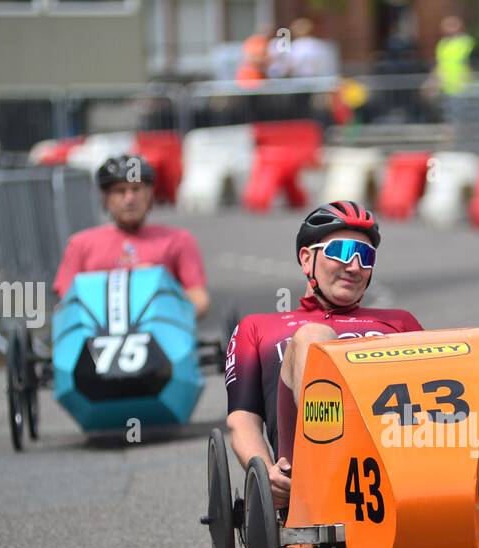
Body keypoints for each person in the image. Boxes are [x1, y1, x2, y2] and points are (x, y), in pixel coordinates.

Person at [224, 202, 422, 506]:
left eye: (365, 256)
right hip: (307, 475)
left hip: (397, 466)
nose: (354, 266)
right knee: (314, 336)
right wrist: (265, 473)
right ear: (307, 259)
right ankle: (330, 465)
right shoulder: (258, 327)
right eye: (340, 251)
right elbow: (243, 419)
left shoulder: (400, 322)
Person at [53, 155, 209, 318]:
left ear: (149, 195)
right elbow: (66, 301)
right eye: (120, 191)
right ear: (105, 198)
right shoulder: (80, 244)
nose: (129, 199)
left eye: (136, 189)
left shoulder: (179, 240)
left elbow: (199, 299)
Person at [433, 15, 475, 97]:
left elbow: (474, 61)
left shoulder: (466, 41)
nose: (448, 28)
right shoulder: (442, 43)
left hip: (466, 84)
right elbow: (439, 64)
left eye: (452, 25)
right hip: (446, 86)